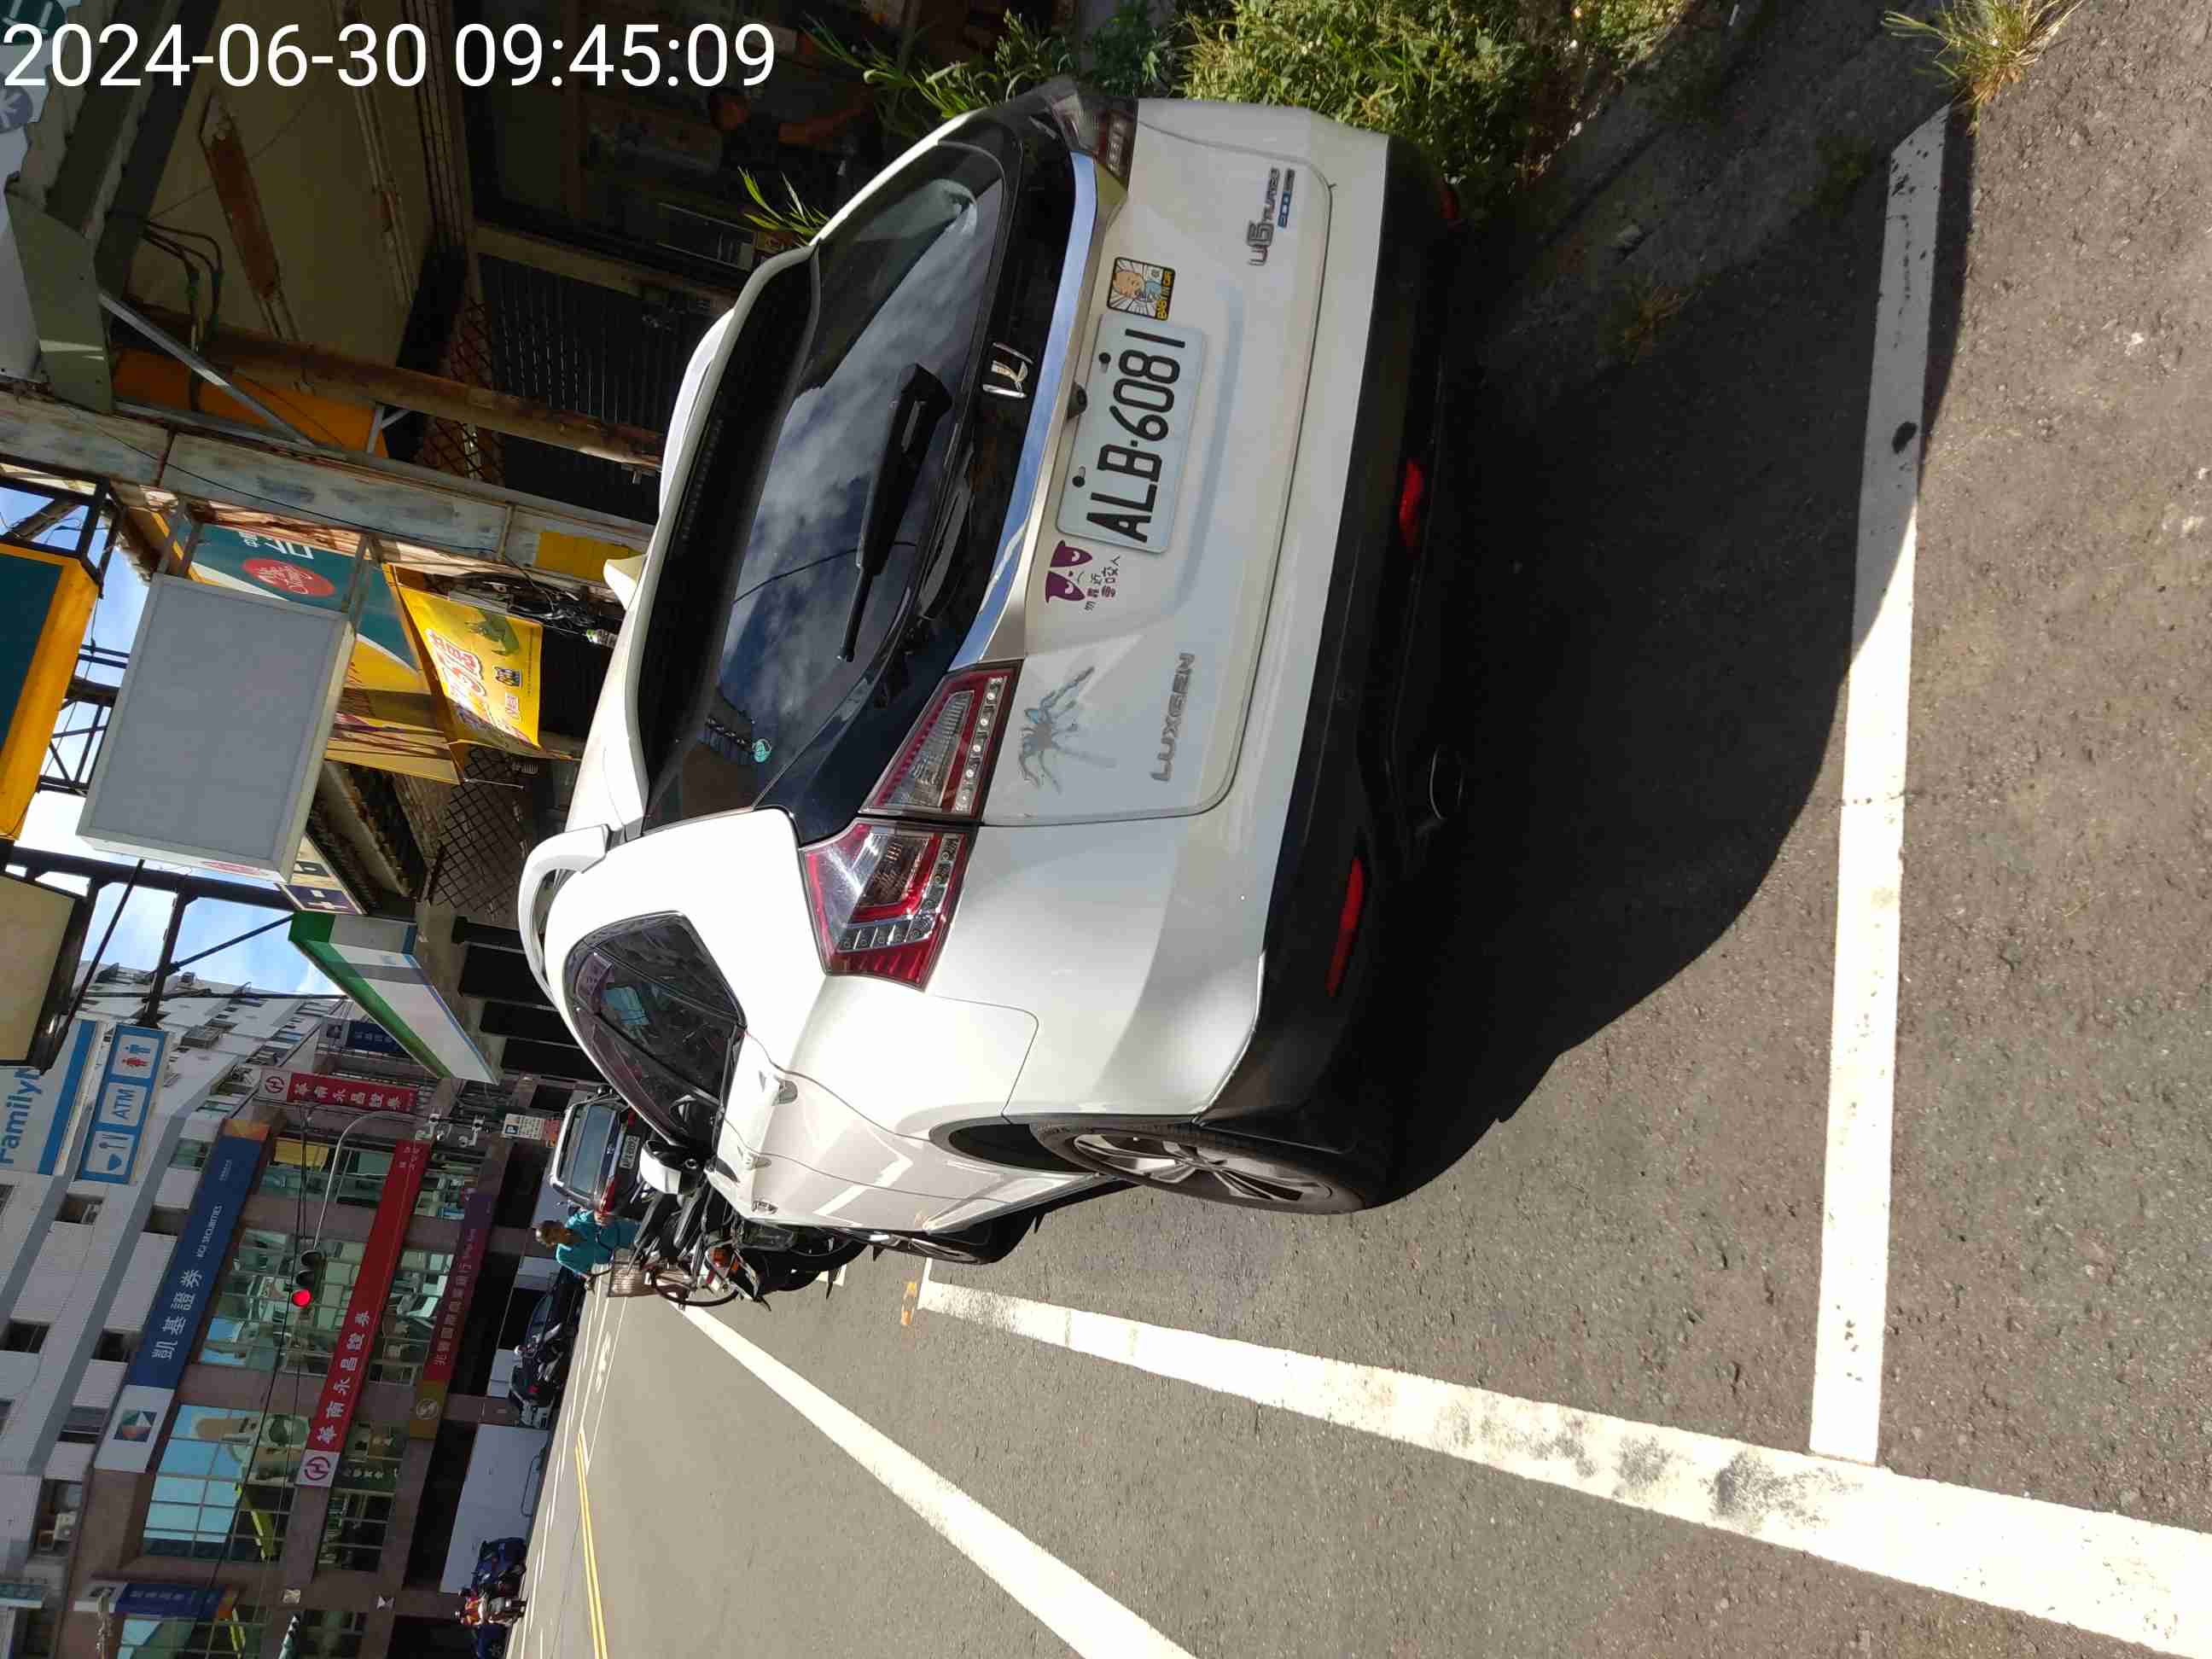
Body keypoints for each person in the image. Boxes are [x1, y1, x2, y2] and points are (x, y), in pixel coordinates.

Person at [534, 1210, 638, 1278]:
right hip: (623, 1262)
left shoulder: (576, 1221)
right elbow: (585, 1273)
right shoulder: (563, 1257)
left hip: (630, 1234)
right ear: (551, 1244)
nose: (560, 1235)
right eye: (554, 1238)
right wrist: (589, 1280)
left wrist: (597, 1216)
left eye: (557, 1230)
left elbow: (592, 1215)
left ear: (559, 1223)